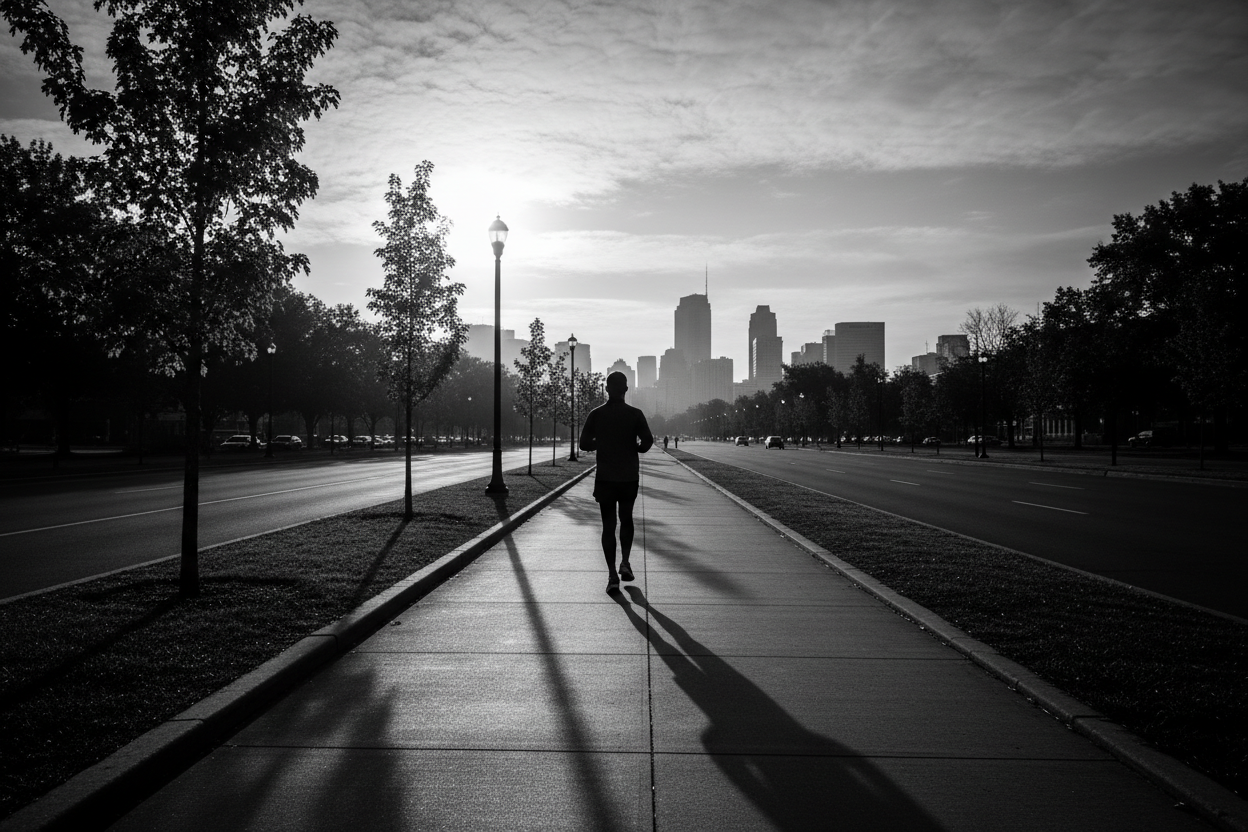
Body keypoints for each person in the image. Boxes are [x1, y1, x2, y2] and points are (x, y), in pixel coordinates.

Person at [579, 371, 654, 593]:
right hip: (628, 476)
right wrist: (636, 448)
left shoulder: (596, 415)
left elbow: (583, 443)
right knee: (627, 519)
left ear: (606, 389)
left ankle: (612, 575)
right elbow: (648, 441)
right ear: (626, 390)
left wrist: (601, 443)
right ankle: (626, 562)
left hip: (605, 478)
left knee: (608, 526)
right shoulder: (635, 414)